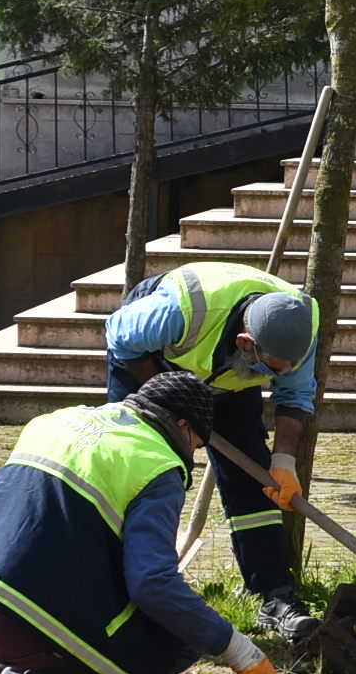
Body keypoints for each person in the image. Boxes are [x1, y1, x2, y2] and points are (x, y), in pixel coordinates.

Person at [0, 368, 281, 674]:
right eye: (196, 443)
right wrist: (237, 648)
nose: (191, 452)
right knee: (179, 632)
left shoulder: (57, 420)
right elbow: (153, 584)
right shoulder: (157, 464)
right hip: (14, 621)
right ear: (183, 425)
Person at [105, 260, 325, 643]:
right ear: (246, 343)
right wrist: (171, 399)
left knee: (253, 477)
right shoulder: (172, 314)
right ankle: (116, 589)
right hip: (148, 357)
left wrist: (284, 462)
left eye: (284, 369)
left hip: (226, 374)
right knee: (141, 469)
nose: (277, 376)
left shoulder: (298, 327)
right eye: (270, 369)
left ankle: (275, 596)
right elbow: (119, 334)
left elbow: (295, 395)